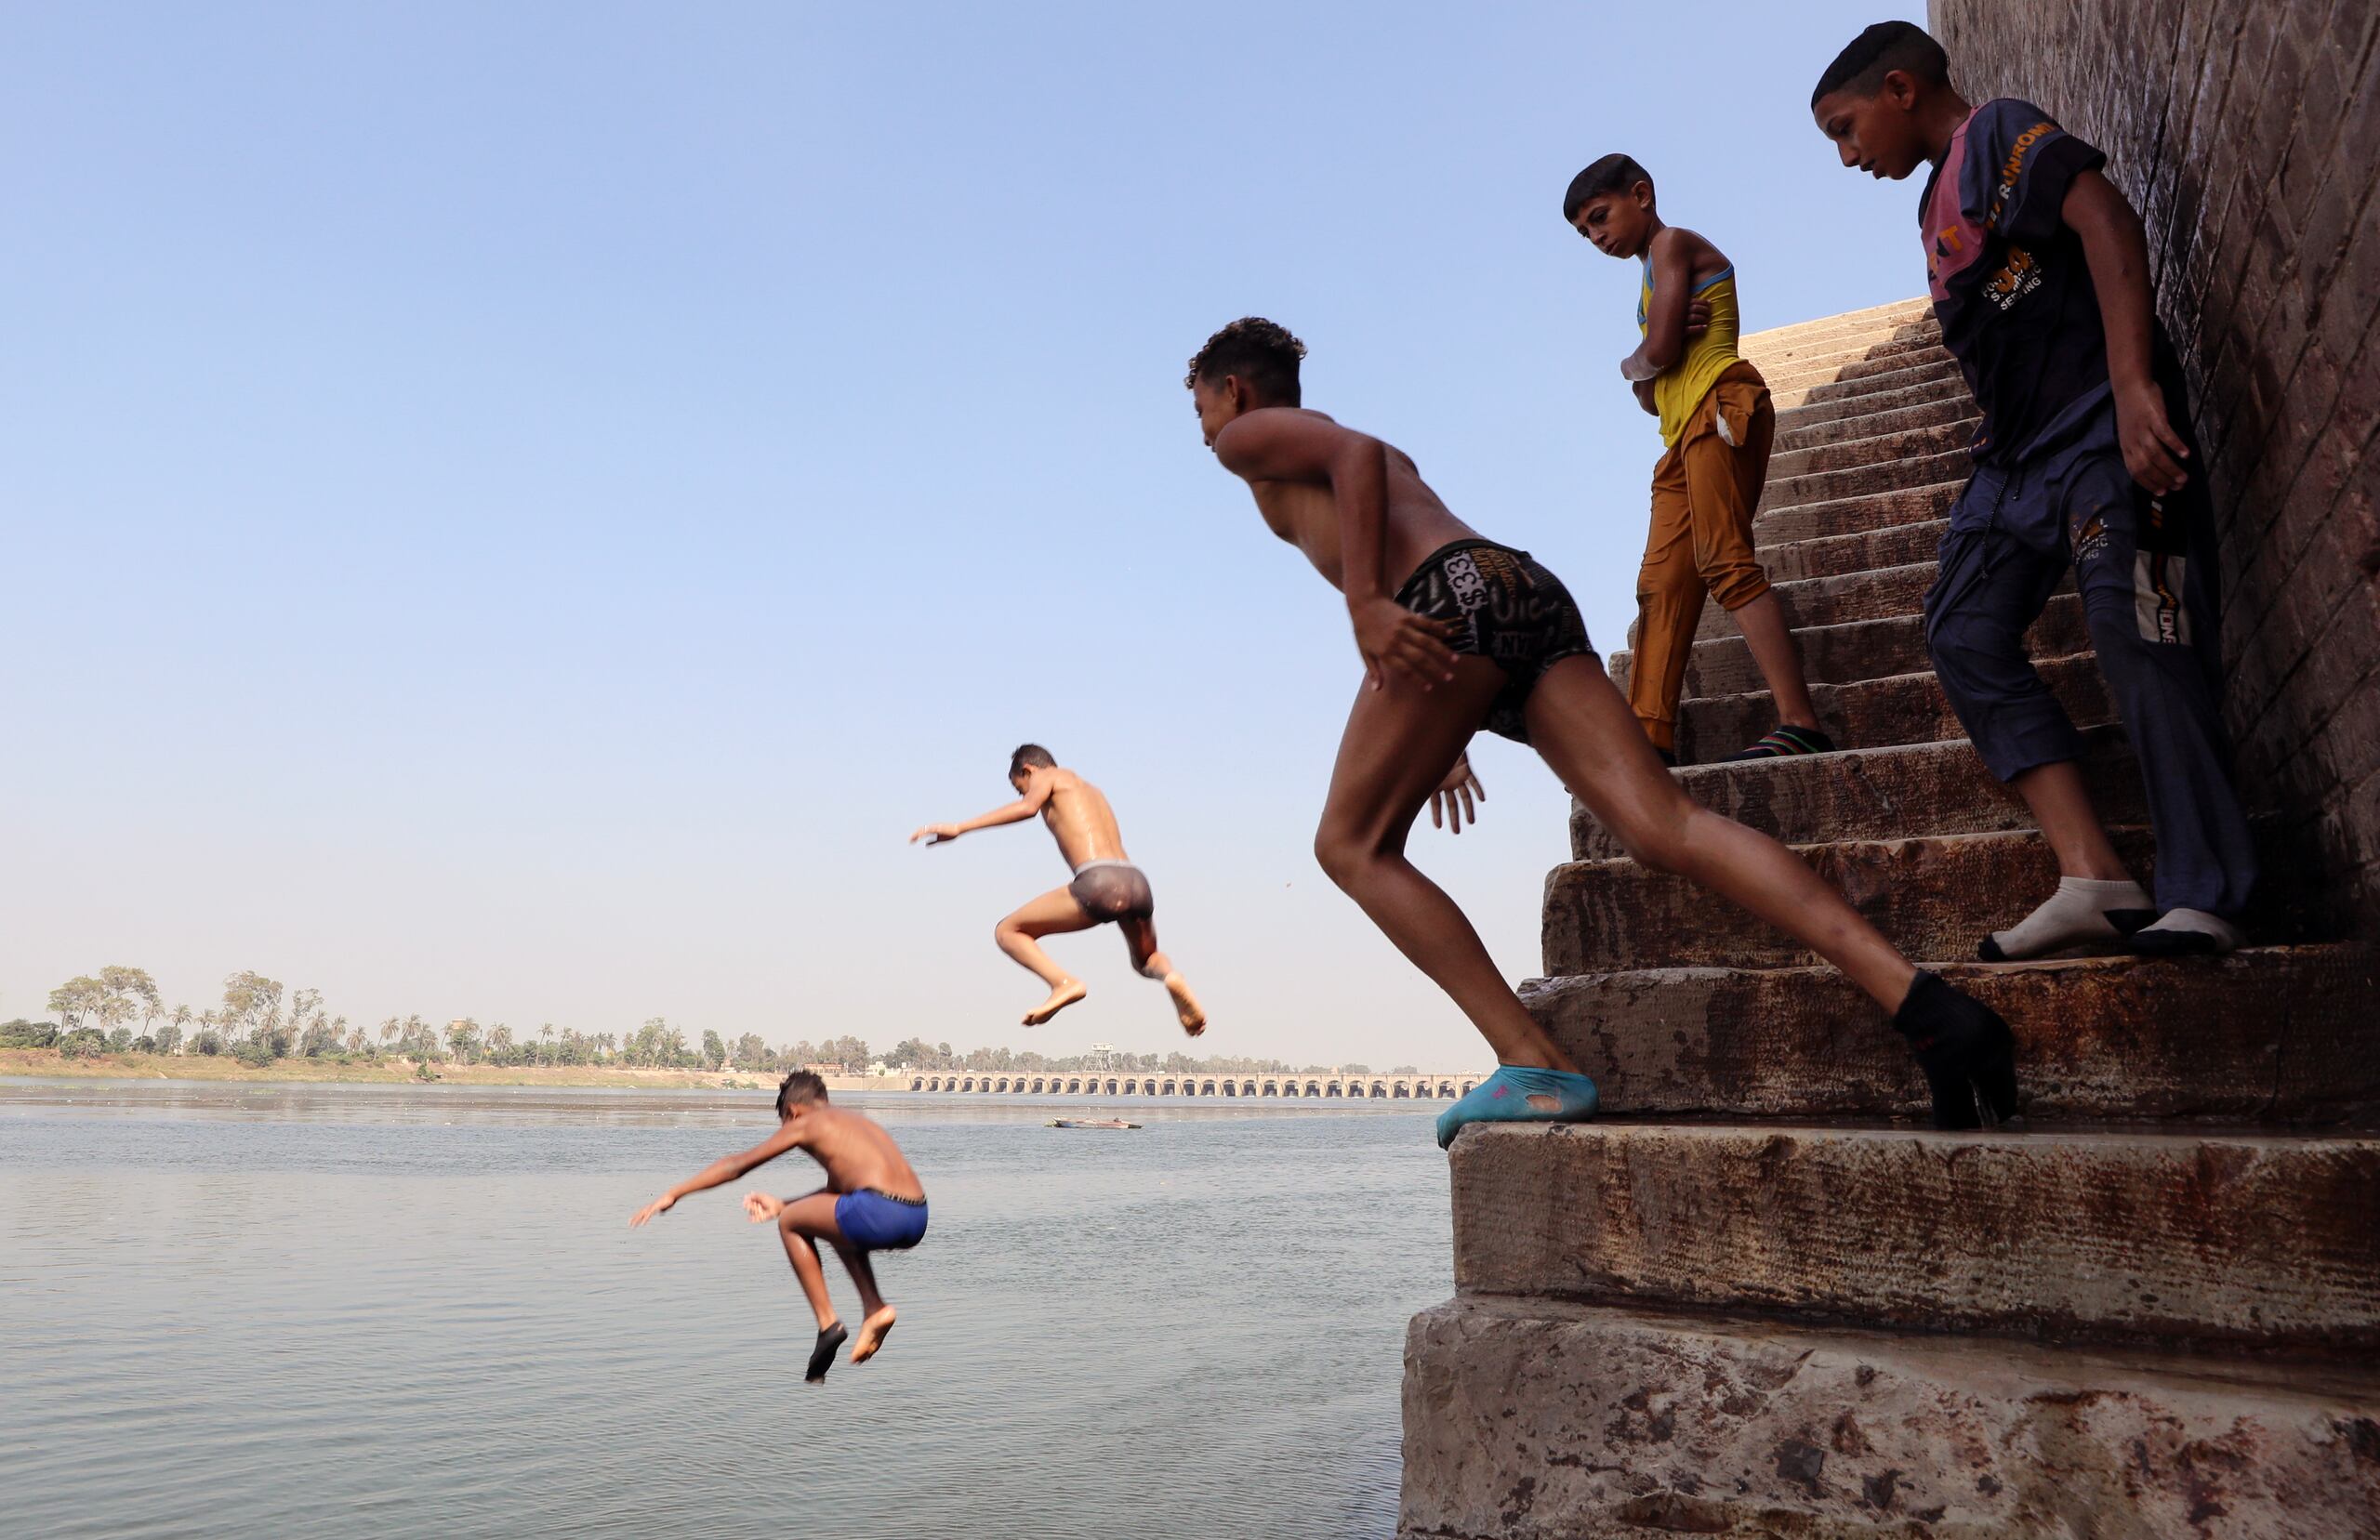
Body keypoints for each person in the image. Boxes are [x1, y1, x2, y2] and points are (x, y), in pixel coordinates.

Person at [1184, 315, 2020, 1143]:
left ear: (1235, 390)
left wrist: (1368, 603)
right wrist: (1442, 732)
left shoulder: (1250, 438)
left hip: (1448, 598)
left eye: (1201, 410)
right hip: (1513, 588)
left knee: (1349, 846)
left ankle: (1532, 1061)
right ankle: (1926, 1006)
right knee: (1667, 825)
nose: (1204, 432)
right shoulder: (1320, 455)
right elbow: (1383, 490)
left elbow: (1357, 458)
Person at [1811, 21, 2256, 958]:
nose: (1846, 157)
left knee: (2139, 625)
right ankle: (2094, 875)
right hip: (2012, 466)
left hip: (2100, 424)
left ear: (1900, 89)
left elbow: (2106, 220)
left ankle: (2205, 890)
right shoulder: (1931, 203)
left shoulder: (1997, 132)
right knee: (1960, 631)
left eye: (1845, 129)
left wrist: (2134, 385)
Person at [1564, 153, 1829, 763]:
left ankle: (1801, 721)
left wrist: (1635, 359)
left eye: (1600, 217)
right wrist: (1649, 360)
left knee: (1724, 561)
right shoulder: (1650, 281)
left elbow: (1653, 358)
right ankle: (1648, 739)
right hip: (1680, 435)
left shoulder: (1672, 244)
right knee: (1660, 583)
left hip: (1720, 405)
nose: (1596, 236)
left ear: (1641, 195)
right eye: (1584, 232)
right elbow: (1650, 397)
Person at [629, 1071, 927, 1383]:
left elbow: (735, 1166)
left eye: (784, 1122)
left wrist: (675, 1192)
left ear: (793, 1112)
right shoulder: (854, 1123)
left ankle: (828, 1324)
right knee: (831, 1218)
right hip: (916, 1216)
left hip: (879, 1212)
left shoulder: (805, 1122)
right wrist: (782, 1203)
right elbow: (834, 1197)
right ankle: (874, 1308)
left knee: (790, 1224)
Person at [910, 745, 1207, 1033]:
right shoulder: (1092, 790)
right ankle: (1171, 977)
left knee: (1008, 931)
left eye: (1019, 787)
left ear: (1028, 770)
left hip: (1099, 881)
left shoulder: (1048, 776)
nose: (1023, 794)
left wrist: (960, 827)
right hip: (1136, 881)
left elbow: (1027, 809)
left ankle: (1063, 983)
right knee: (1146, 960)